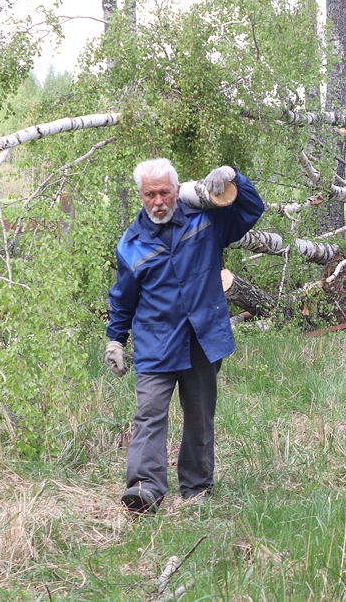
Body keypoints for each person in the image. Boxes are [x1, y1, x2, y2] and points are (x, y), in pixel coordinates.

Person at [104, 158, 264, 514]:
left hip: (202, 339)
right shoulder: (131, 245)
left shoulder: (206, 221)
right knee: (149, 413)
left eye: (164, 192)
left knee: (199, 414)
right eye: (150, 194)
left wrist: (233, 177)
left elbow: (252, 209)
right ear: (141, 196)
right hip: (155, 343)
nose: (158, 201)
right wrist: (116, 339)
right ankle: (145, 489)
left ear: (177, 190)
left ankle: (196, 487)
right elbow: (122, 297)